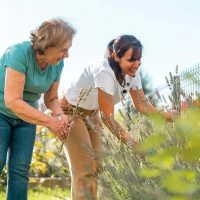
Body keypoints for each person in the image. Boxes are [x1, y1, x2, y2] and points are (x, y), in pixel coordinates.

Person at [59, 34, 177, 200]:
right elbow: (108, 118)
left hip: (91, 114)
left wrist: (167, 116)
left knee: (97, 165)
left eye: (139, 59)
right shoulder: (104, 71)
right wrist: (134, 144)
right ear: (116, 56)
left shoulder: (132, 73)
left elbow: (141, 104)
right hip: (70, 111)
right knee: (84, 167)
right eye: (131, 60)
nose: (136, 64)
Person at [0, 18, 76, 200]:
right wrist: (50, 122)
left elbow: (51, 99)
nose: (67, 55)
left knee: (19, 171)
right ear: (48, 45)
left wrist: (60, 115)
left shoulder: (57, 65)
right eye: (64, 50)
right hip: (1, 112)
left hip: (27, 119)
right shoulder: (18, 53)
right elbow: (12, 101)